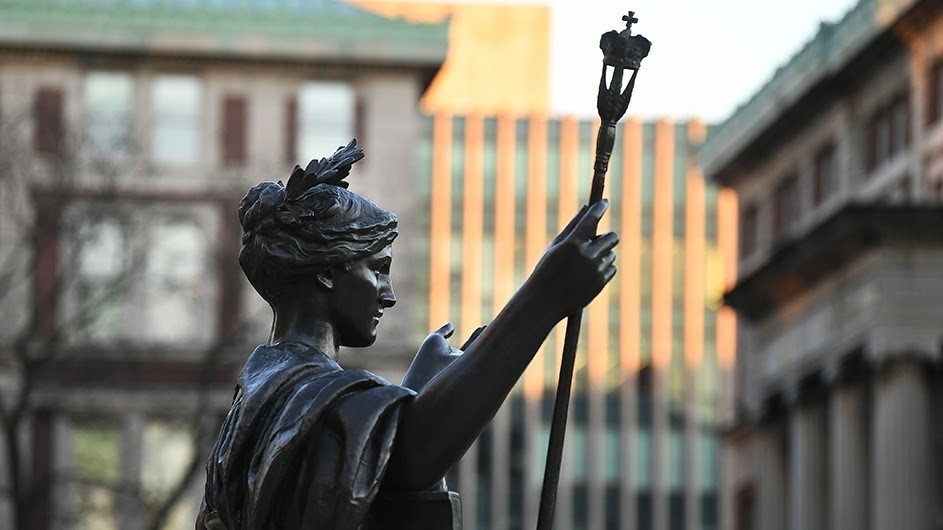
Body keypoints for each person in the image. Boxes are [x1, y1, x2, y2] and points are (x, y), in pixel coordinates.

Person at [196, 140, 618, 530]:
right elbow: (413, 459)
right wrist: (542, 301)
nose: (388, 294)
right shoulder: (300, 392)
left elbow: (375, 468)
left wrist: (417, 392)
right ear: (325, 269)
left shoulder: (267, 390)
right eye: (377, 269)